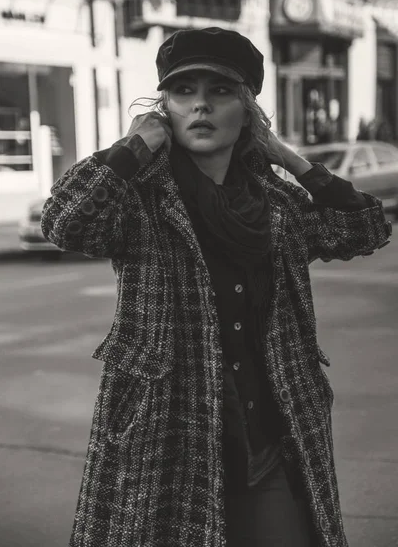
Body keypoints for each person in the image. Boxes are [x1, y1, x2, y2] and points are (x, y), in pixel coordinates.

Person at [41, 27, 392, 547]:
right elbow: (64, 223)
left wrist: (289, 160)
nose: (200, 105)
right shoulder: (140, 200)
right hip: (164, 436)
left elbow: (367, 227)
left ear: (247, 109)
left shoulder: (277, 206)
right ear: (165, 108)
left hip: (271, 433)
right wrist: (133, 146)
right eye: (184, 92)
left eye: (220, 92)